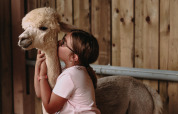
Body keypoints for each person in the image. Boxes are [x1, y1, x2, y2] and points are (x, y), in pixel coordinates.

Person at [34, 29, 101, 114]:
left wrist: (43, 75)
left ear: (74, 57)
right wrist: (38, 66)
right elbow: (40, 93)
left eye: (63, 43)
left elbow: (50, 108)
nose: (58, 42)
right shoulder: (72, 72)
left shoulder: (71, 75)